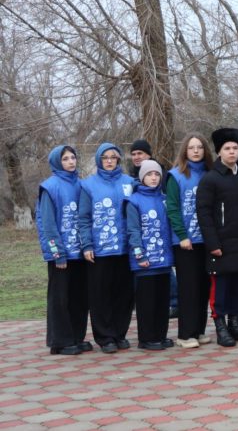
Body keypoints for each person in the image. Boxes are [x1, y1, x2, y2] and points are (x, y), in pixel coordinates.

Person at [196, 127, 238, 347]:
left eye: (235, 148)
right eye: (227, 148)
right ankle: (220, 326)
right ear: (219, 152)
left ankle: (235, 323)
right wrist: (212, 242)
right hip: (221, 243)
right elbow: (203, 212)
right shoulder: (210, 179)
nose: (232, 152)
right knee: (221, 287)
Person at [78, 143, 135, 353]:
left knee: (124, 294)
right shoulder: (88, 185)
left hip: (125, 249)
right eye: (105, 158)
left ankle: (119, 333)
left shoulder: (130, 183)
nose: (110, 161)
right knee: (100, 295)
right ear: (99, 160)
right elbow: (83, 218)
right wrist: (87, 244)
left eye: (114, 157)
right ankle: (105, 337)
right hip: (100, 250)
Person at [36, 145, 89, 355]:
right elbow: (47, 223)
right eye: (66, 159)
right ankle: (60, 340)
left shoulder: (81, 184)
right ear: (57, 162)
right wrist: (57, 252)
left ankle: (76, 337)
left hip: (80, 253)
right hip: (62, 255)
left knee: (79, 297)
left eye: (73, 157)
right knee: (60, 298)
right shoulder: (50, 187)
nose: (71, 162)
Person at [167, 134, 213, 348]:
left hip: (206, 239)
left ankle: (199, 330)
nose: (196, 151)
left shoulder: (210, 174)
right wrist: (182, 235)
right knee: (189, 287)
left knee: (204, 287)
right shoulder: (175, 176)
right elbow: (173, 209)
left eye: (200, 147)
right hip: (185, 242)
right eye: (191, 147)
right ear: (184, 151)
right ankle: (186, 334)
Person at [124, 160, 174, 350]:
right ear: (142, 177)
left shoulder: (164, 199)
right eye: (149, 175)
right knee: (147, 302)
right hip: (145, 263)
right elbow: (133, 231)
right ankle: (146, 338)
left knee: (163, 300)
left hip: (164, 260)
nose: (153, 178)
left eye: (157, 175)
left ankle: (160, 335)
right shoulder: (133, 201)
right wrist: (139, 255)